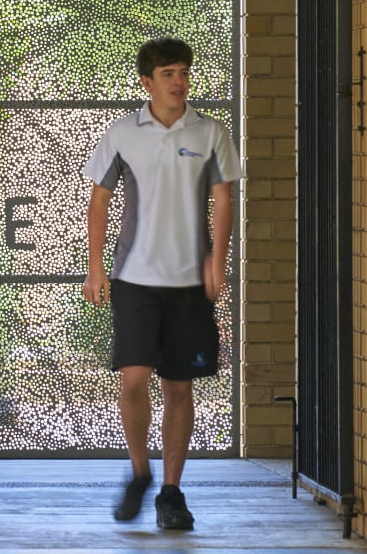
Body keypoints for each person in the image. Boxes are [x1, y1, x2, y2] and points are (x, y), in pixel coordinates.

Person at [82, 37, 241, 531]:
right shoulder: (122, 132)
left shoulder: (211, 132)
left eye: (184, 72)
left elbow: (224, 200)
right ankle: (139, 473)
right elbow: (99, 200)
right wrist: (95, 268)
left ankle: (171, 492)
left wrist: (217, 260)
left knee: (178, 386)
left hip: (190, 283)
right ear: (146, 81)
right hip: (134, 279)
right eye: (168, 73)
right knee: (133, 379)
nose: (179, 81)